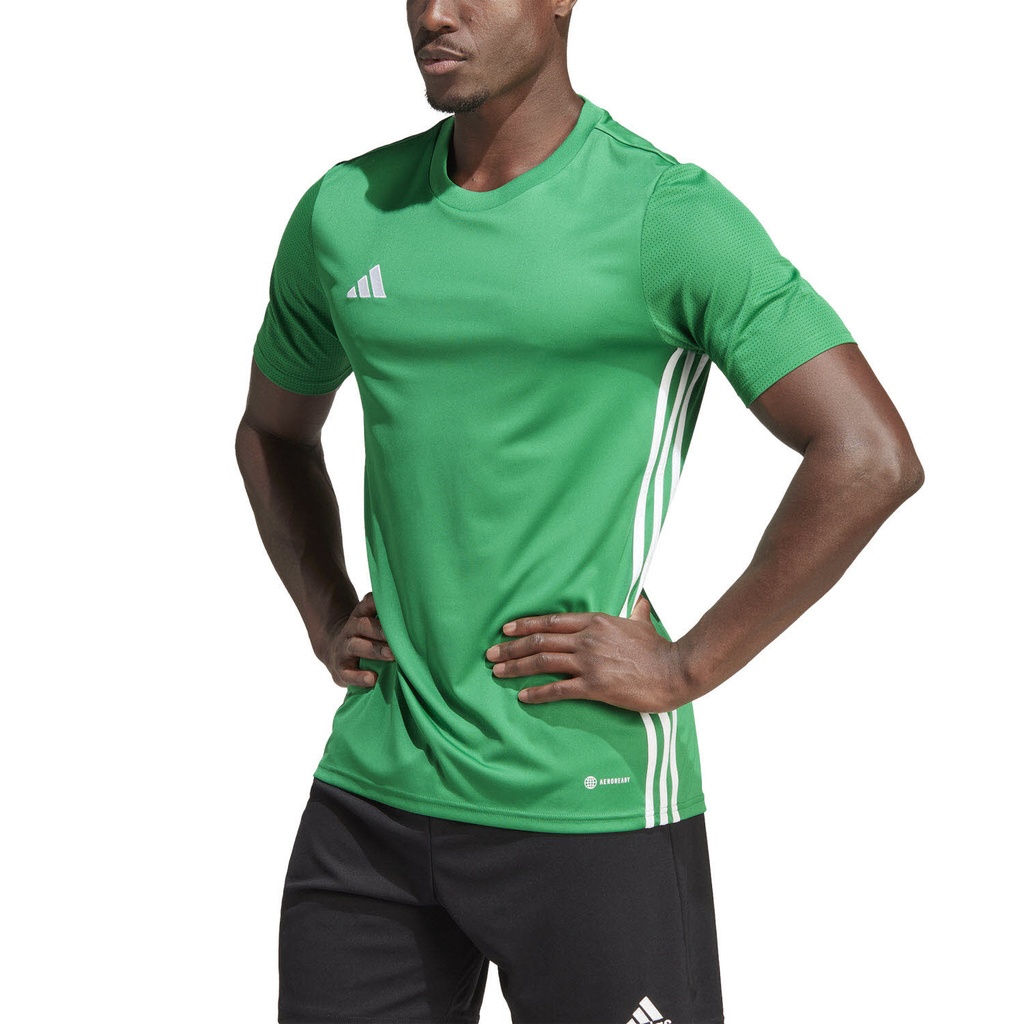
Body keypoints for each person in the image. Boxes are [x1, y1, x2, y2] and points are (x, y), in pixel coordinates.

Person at [235, 2, 924, 1021]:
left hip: (588, 801)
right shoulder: (348, 210)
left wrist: (685, 667)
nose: (433, 12)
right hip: (371, 803)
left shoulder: (665, 214)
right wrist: (324, 608)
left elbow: (868, 455)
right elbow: (273, 432)